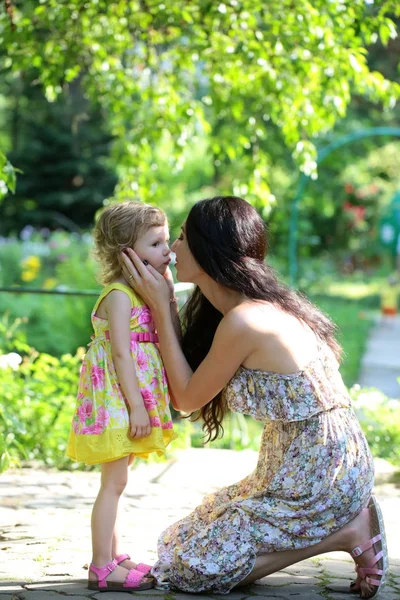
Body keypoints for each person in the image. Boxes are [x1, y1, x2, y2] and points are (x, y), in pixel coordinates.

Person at [121, 196, 388, 599]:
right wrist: (168, 306)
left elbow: (187, 399)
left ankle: (348, 531)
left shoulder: (246, 320)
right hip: (303, 465)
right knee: (181, 546)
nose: (172, 249)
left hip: (321, 475)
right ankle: (347, 525)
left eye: (180, 238)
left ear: (206, 248)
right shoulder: (258, 308)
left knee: (194, 573)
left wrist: (162, 306)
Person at [66, 201, 178, 592]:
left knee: (118, 481)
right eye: (156, 243)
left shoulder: (142, 293)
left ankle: (113, 555)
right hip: (118, 401)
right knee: (112, 484)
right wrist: (136, 406)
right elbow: (119, 353)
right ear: (125, 252)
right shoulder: (118, 296)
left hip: (126, 400)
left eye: (167, 240)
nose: (168, 250)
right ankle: (101, 566)